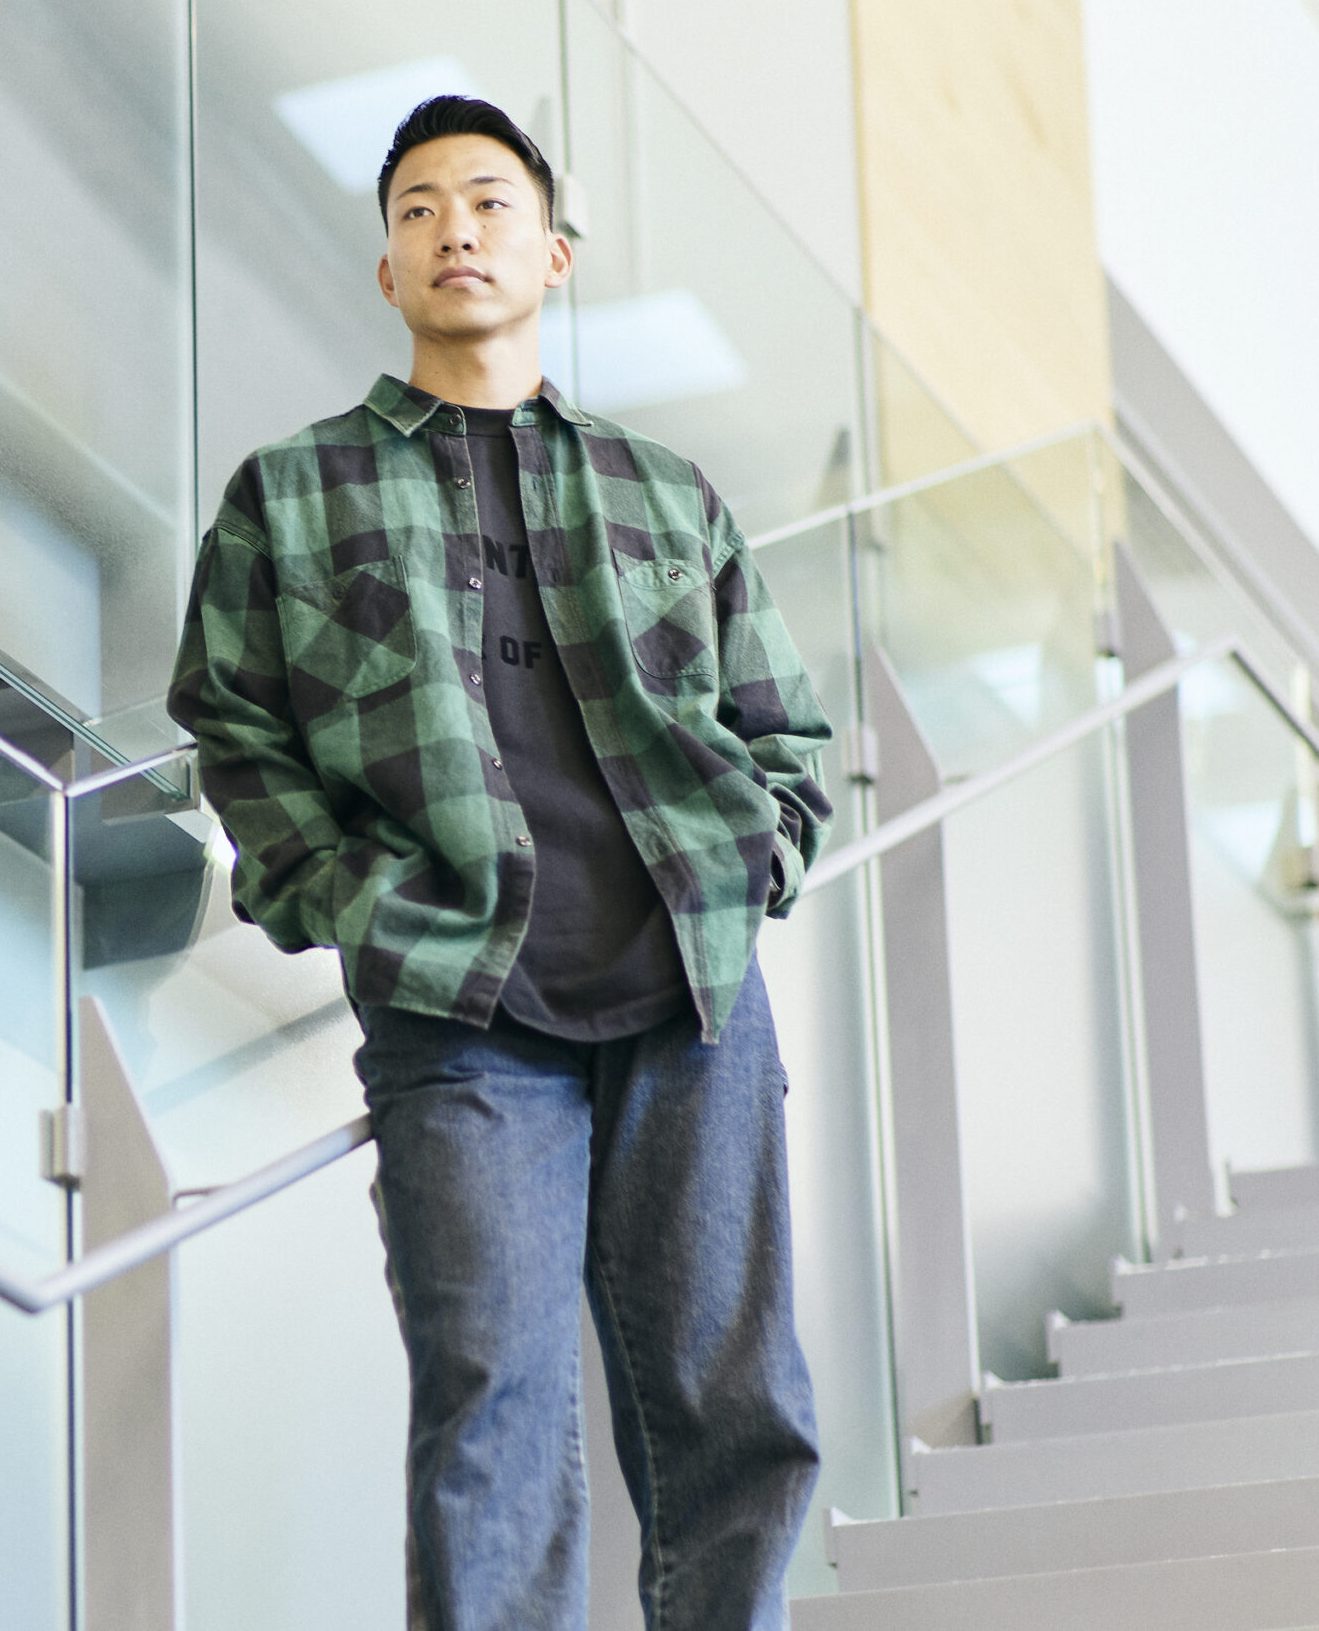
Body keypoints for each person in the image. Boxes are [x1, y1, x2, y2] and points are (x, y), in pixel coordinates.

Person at [166, 96, 832, 1630]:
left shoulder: (673, 493)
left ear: (556, 254)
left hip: (691, 997)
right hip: (462, 1011)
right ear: (388, 275)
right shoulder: (292, 495)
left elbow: (784, 731)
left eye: (485, 202)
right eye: (415, 211)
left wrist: (752, 865)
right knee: (491, 1411)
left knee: (739, 1409)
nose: (453, 228)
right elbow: (235, 736)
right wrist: (352, 907)